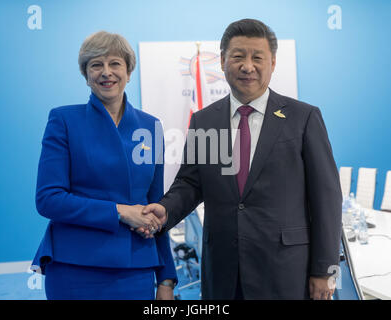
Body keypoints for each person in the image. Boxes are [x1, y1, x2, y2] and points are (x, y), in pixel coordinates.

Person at [140, 19, 342, 300]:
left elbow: (327, 199)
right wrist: (166, 210)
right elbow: (190, 183)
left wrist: (326, 270)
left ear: (272, 63)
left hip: (285, 272)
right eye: (238, 56)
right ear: (222, 61)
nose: (248, 66)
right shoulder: (205, 120)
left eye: (257, 57)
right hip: (223, 271)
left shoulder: (302, 118)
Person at [31, 31, 177, 300]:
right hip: (75, 267)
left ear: (128, 72)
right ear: (86, 74)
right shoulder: (64, 120)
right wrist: (120, 211)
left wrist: (166, 279)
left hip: (136, 268)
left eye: (115, 64)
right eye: (96, 65)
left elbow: (156, 205)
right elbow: (48, 199)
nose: (106, 72)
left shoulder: (151, 127)